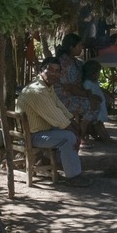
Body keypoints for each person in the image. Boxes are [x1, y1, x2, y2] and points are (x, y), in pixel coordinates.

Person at [17, 57, 91, 187]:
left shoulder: (47, 88)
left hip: (42, 131)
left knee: (70, 134)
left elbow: (61, 108)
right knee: (69, 138)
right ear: (41, 71)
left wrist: (75, 125)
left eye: (57, 71)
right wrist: (76, 135)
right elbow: (58, 118)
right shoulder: (38, 91)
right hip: (32, 136)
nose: (53, 73)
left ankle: (47, 164)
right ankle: (73, 177)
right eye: (49, 69)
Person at [53, 33, 102, 142]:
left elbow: (80, 84)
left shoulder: (77, 63)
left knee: (97, 101)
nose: (82, 48)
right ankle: (81, 134)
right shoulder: (63, 63)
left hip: (73, 95)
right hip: (62, 99)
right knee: (94, 105)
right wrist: (89, 96)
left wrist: (90, 95)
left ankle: (83, 131)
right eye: (79, 46)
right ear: (71, 47)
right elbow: (69, 87)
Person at [80, 59, 112, 142]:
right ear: (92, 73)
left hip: (100, 104)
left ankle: (105, 137)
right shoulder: (87, 83)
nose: (99, 74)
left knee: (100, 123)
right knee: (99, 124)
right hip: (96, 105)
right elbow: (89, 94)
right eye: (98, 72)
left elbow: (98, 89)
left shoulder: (94, 82)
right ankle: (105, 138)